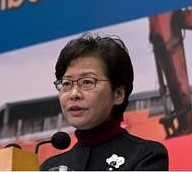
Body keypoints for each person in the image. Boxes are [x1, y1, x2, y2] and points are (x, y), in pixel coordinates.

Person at [41, 34, 169, 171]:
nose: (74, 94)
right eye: (66, 83)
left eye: (87, 82)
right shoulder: (50, 167)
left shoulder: (146, 156)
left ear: (118, 94)